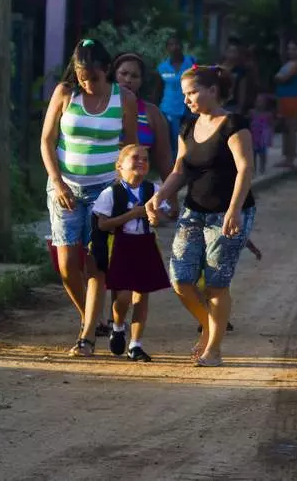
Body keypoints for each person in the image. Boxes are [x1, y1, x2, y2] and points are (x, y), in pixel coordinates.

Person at [145, 65, 256, 367]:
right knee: (181, 279)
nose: (187, 100)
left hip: (229, 212)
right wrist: (160, 195)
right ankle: (209, 327)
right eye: (184, 94)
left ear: (212, 90)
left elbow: (245, 169)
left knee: (217, 283)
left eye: (192, 92)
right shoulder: (187, 125)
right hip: (194, 210)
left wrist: (234, 210)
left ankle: (214, 349)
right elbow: (182, 170)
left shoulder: (234, 124)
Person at [40, 38, 138, 357]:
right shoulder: (65, 93)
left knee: (96, 264)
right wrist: (57, 181)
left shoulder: (124, 99)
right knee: (68, 265)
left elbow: (130, 149)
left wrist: (129, 190)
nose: (87, 83)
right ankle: (91, 318)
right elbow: (46, 140)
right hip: (64, 188)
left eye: (93, 78)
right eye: (82, 77)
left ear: (106, 71)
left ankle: (86, 337)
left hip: (105, 191)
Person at [92, 144, 172, 362]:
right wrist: (132, 214)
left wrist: (155, 218)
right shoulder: (111, 193)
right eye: (135, 158)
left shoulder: (152, 190)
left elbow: (162, 215)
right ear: (119, 166)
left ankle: (136, 344)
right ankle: (117, 326)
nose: (141, 162)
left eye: (145, 159)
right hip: (121, 244)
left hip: (145, 243)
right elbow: (103, 224)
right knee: (124, 295)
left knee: (142, 295)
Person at [112, 52, 177, 217]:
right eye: (123, 73)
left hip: (135, 190)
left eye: (134, 76)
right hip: (100, 186)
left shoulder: (152, 113)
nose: (128, 79)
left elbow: (164, 160)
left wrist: (172, 200)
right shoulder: (100, 107)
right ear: (113, 74)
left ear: (141, 81)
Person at [156, 35, 197, 158]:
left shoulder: (192, 63)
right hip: (169, 110)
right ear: (167, 48)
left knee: (191, 140)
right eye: (171, 45)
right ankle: (175, 169)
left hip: (190, 108)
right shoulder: (162, 68)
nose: (175, 47)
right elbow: (158, 90)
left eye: (177, 44)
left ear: (182, 46)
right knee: (174, 142)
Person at [274, 39, 297, 169]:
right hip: (284, 97)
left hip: (291, 97)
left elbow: (283, 77)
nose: (290, 51)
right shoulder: (290, 63)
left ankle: (290, 158)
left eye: (293, 49)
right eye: (289, 49)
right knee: (285, 128)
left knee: (291, 128)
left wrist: (279, 77)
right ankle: (287, 155)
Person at [249, 93, 276, 174]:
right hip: (254, 136)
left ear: (266, 104)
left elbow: (271, 126)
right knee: (253, 154)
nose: (259, 103)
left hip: (263, 138)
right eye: (257, 101)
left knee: (262, 154)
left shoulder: (268, 114)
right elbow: (248, 123)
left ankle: (262, 167)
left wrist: (270, 136)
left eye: (261, 101)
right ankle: (253, 169)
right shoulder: (252, 112)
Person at [221, 36, 249, 114]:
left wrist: (240, 107)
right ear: (225, 52)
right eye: (230, 51)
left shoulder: (240, 71)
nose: (232, 54)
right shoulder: (218, 68)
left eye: (235, 52)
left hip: (232, 106)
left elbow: (242, 90)